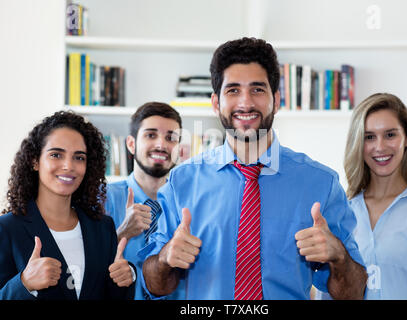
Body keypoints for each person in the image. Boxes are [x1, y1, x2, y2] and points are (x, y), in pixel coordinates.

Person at [138, 37, 367, 300]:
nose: (245, 103)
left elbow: (354, 293)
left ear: (276, 100)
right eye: (233, 90)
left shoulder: (321, 183)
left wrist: (338, 256)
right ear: (215, 103)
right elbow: (155, 285)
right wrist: (166, 258)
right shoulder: (181, 181)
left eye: (257, 89)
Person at [318, 93, 407, 299]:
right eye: (369, 137)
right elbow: (327, 293)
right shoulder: (342, 212)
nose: (380, 147)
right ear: (358, 143)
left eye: (390, 135)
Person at [0, 111, 135, 300]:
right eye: (56, 155)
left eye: (79, 157)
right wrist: (24, 284)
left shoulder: (103, 227)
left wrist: (125, 278)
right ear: (35, 161)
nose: (68, 166)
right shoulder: (6, 228)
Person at [104, 102, 183, 300]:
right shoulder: (102, 198)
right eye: (151, 135)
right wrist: (121, 233)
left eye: (171, 138)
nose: (161, 145)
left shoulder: (189, 206)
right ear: (131, 144)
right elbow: (80, 265)